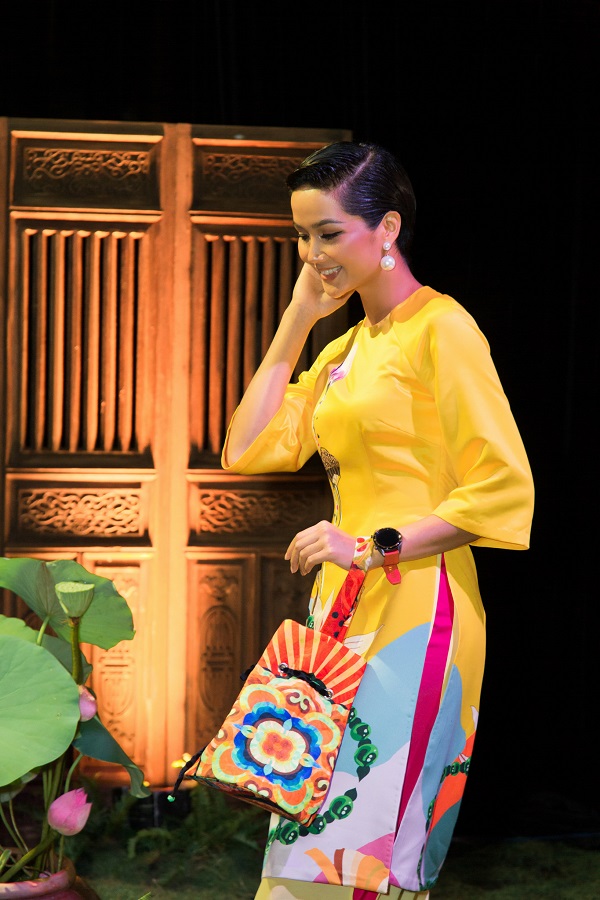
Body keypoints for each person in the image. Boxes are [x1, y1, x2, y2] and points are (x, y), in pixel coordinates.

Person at [221, 141, 534, 900]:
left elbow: (501, 488)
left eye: (329, 233)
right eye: (302, 236)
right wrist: (298, 317)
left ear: (387, 227)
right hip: (341, 607)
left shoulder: (442, 329)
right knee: (304, 836)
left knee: (369, 849)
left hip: (419, 606)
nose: (313, 253)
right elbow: (247, 448)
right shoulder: (346, 349)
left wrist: (369, 545)